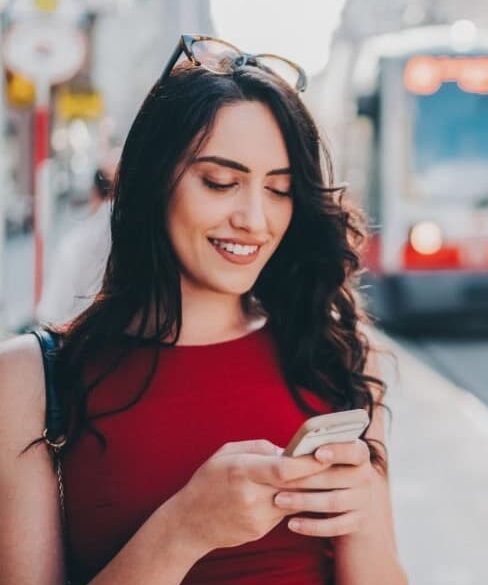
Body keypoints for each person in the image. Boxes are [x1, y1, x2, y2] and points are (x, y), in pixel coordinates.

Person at [0, 35, 407, 585]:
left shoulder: (334, 352)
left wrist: (363, 520)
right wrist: (184, 529)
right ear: (155, 182)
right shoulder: (30, 378)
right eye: (221, 182)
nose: (255, 219)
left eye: (280, 190)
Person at [36, 148, 119, 325]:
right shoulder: (150, 242)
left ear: (94, 193)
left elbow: (50, 314)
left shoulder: (75, 244)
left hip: (79, 345)